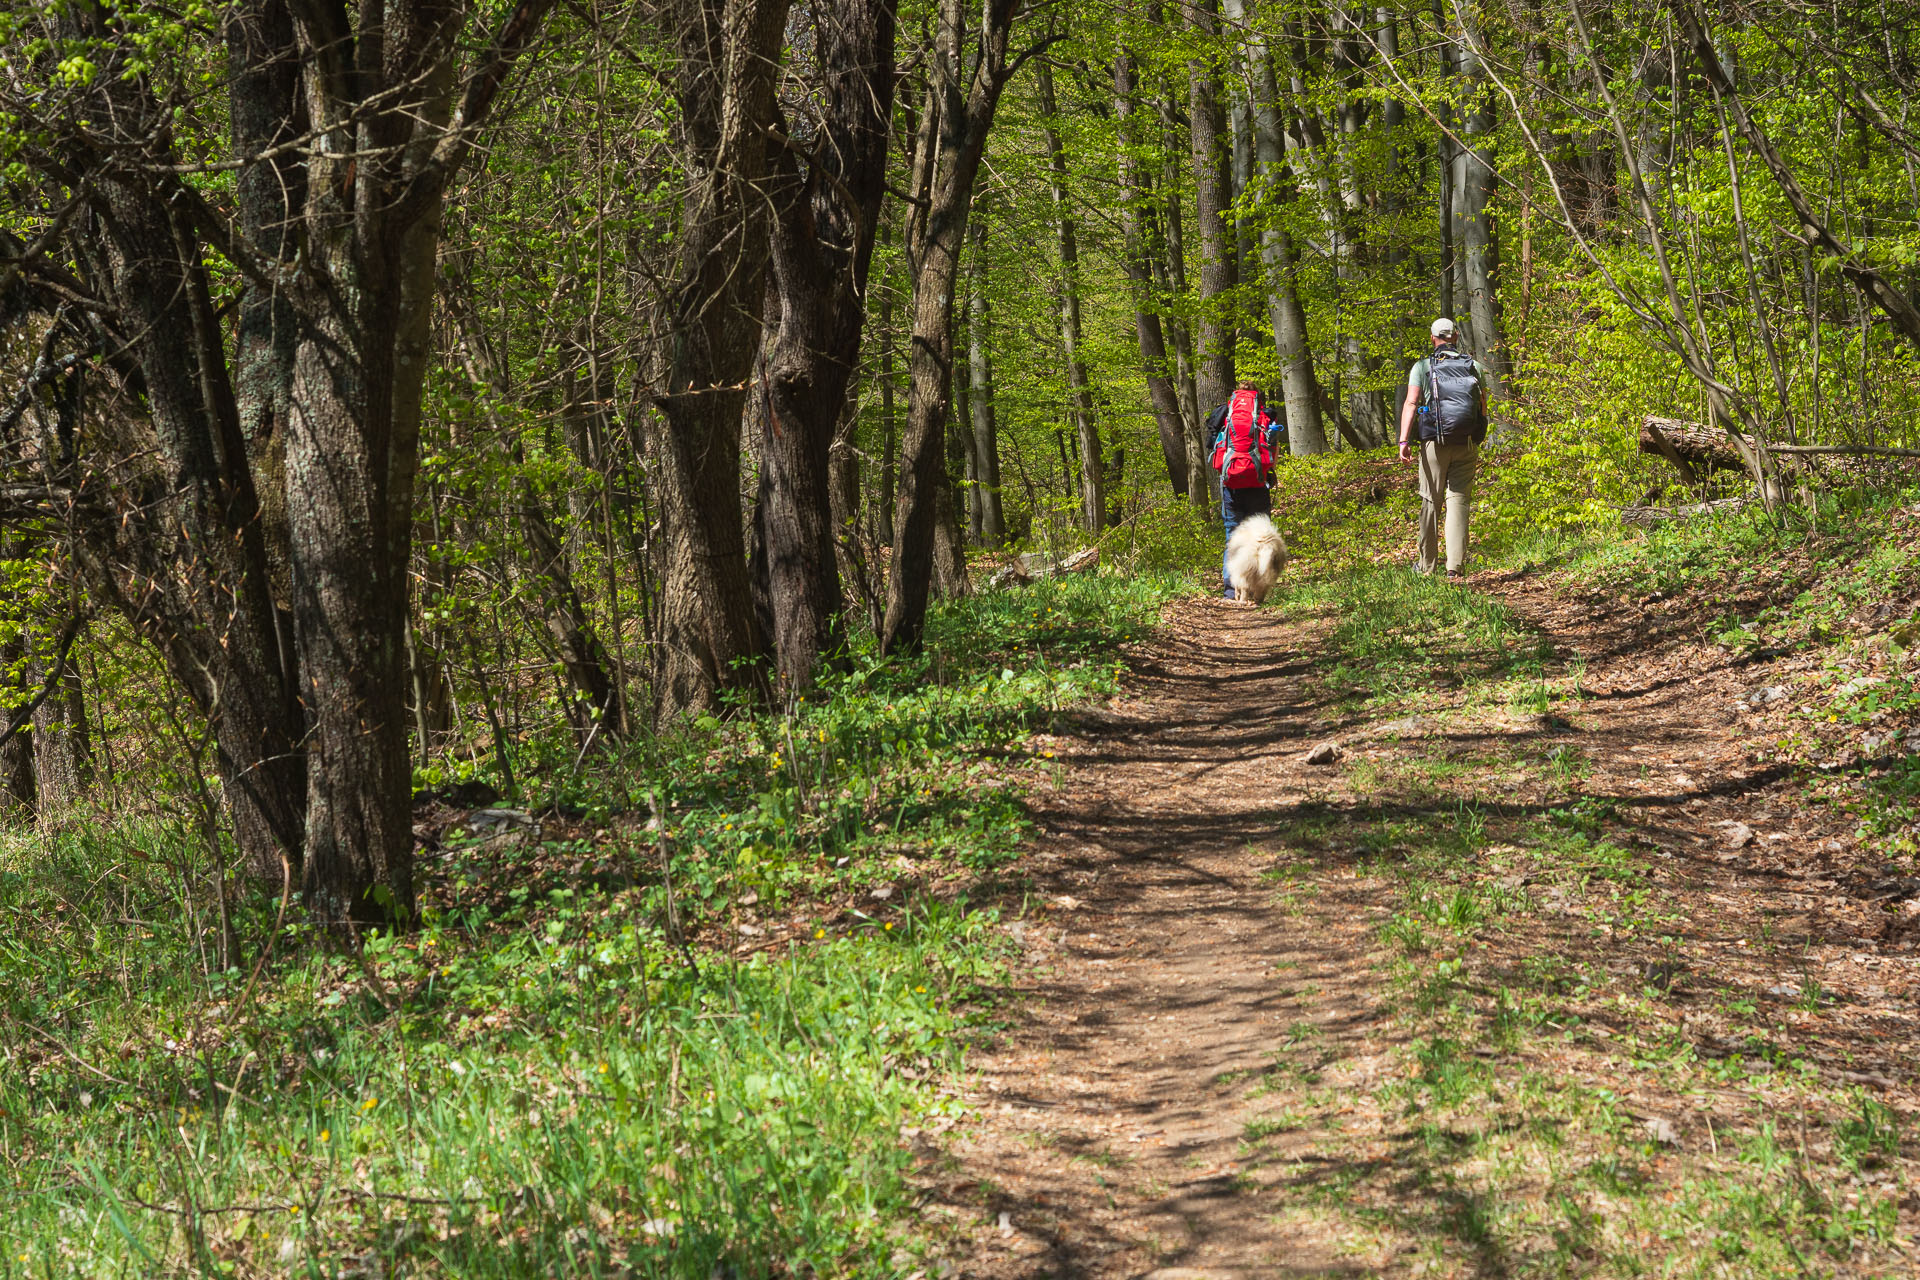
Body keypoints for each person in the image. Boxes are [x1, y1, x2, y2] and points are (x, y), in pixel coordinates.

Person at [1397, 318, 1490, 580]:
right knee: (1458, 501)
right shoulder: (1473, 366)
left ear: (1433, 338)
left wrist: (1404, 440)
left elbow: (1411, 402)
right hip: (1467, 442)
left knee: (1431, 501)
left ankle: (1427, 566)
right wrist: (1478, 430)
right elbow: (1483, 404)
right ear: (1456, 337)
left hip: (1434, 444)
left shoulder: (1423, 366)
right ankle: (1454, 568)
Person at [1207, 381, 1285, 599]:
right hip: (1258, 484)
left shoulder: (1224, 415)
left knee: (1232, 536)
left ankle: (1231, 590)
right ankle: (1258, 588)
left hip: (1231, 486)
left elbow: (1213, 450)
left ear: (1235, 396)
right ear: (1258, 397)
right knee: (1260, 538)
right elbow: (1273, 453)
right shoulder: (1266, 418)